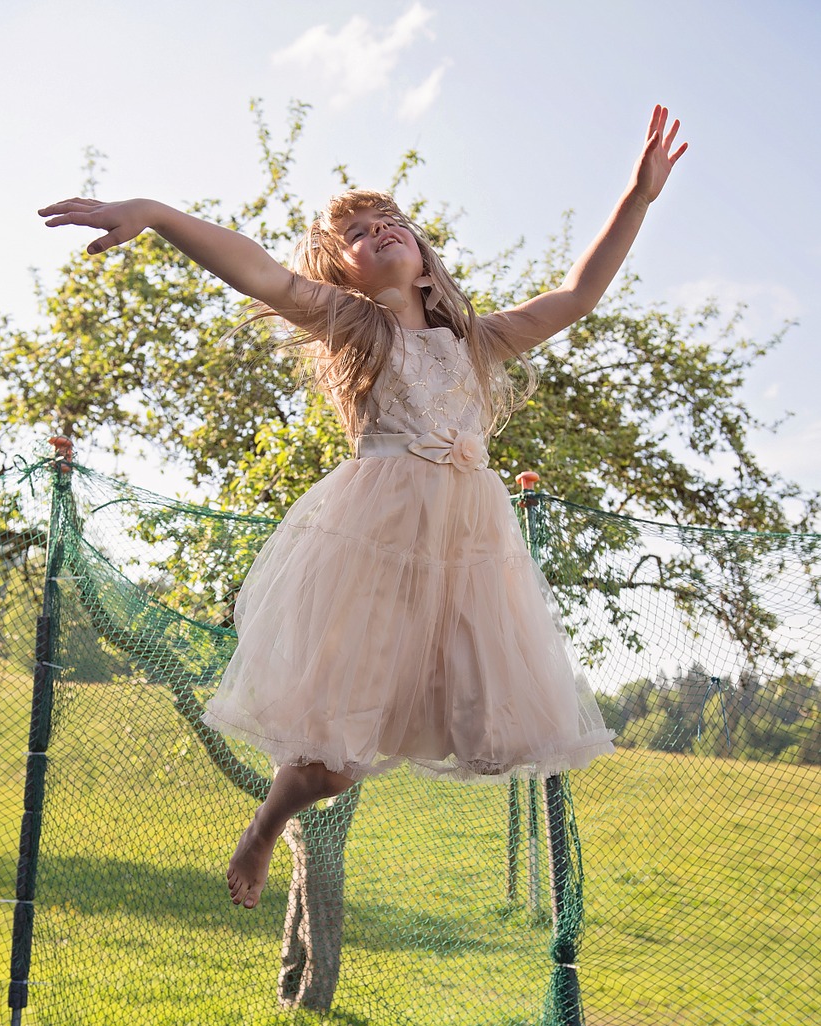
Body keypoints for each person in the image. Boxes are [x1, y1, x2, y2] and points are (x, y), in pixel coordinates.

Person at [39, 103, 687, 910]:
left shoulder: (476, 342)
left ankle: (346, 782)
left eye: (392, 223)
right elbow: (261, 273)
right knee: (336, 767)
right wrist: (157, 215)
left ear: (422, 261)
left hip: (470, 553)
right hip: (375, 541)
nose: (378, 231)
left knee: (494, 735)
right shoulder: (357, 328)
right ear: (344, 274)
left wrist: (639, 198)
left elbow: (578, 294)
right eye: (358, 233)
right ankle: (271, 820)